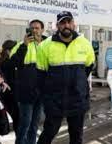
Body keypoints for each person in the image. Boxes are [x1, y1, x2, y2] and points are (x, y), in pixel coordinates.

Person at [36, 11, 95, 144]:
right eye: (63, 23)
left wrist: (78, 84)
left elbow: (88, 67)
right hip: (55, 100)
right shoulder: (45, 45)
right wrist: (46, 97)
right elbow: (40, 75)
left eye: (69, 22)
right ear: (57, 25)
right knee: (49, 133)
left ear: (74, 24)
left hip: (77, 99)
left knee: (76, 136)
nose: (66, 25)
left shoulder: (85, 43)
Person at [10, 19, 46, 144]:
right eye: (32, 28)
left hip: (41, 92)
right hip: (26, 92)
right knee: (25, 123)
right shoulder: (20, 45)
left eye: (37, 28)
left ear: (42, 30)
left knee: (35, 124)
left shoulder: (47, 45)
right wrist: (24, 45)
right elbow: (13, 62)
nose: (34, 30)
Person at [0, 40, 19, 134]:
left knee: (16, 118)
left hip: (5, 94)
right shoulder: (9, 62)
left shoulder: (0, 61)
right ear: (8, 51)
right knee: (17, 118)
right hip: (10, 93)